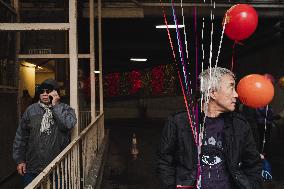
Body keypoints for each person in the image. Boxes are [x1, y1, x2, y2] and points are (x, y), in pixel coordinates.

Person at [157, 67, 263, 189]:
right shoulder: (178, 122)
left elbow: (253, 164)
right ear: (212, 92)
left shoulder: (240, 125)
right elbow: (164, 162)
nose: (236, 94)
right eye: (231, 87)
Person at [13, 79, 77, 186]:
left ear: (56, 92)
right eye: (42, 91)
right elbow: (21, 137)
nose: (44, 94)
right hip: (32, 166)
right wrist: (20, 160)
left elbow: (68, 124)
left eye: (48, 91)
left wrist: (56, 106)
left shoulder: (65, 109)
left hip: (58, 167)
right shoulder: (31, 110)